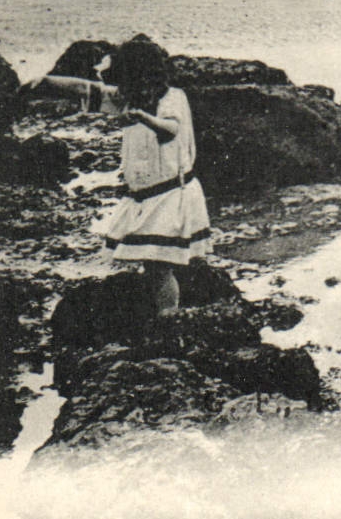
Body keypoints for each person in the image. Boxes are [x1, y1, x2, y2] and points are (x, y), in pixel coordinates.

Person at [30, 38, 210, 315]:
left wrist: (142, 117)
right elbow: (87, 88)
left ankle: (169, 316)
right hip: (146, 196)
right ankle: (168, 314)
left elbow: (170, 129)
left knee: (159, 266)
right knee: (156, 266)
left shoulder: (173, 97)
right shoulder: (130, 98)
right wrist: (45, 81)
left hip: (172, 194)